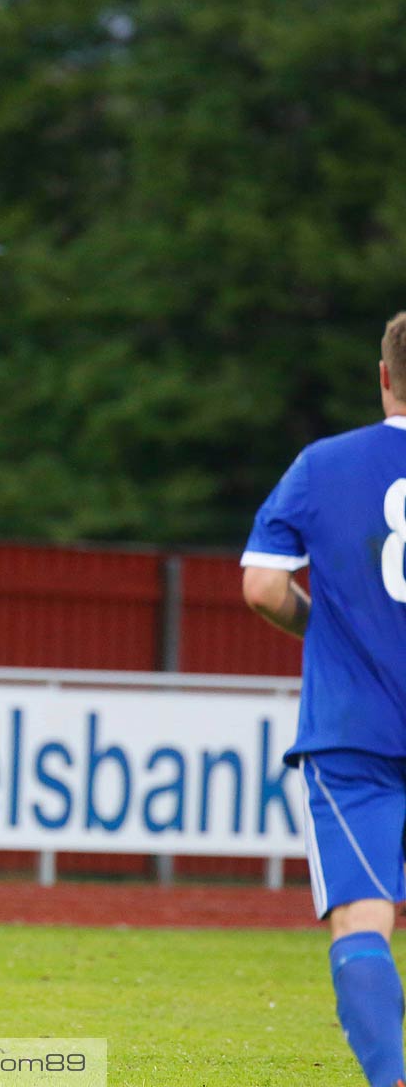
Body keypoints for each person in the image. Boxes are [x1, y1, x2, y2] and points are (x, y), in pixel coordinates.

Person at [243, 311, 406, 1087]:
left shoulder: (323, 465)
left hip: (353, 733)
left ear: (384, 377)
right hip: (359, 731)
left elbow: (264, 586)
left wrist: (321, 629)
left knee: (363, 917)